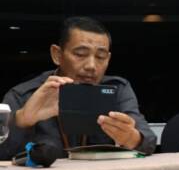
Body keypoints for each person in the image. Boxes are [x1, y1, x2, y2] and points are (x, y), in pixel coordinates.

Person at [0, 17, 156, 159]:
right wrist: (21, 120)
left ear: (108, 59)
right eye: (80, 54)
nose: (91, 66)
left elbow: (149, 142)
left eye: (100, 57)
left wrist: (131, 138)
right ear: (57, 55)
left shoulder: (117, 89)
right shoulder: (22, 95)